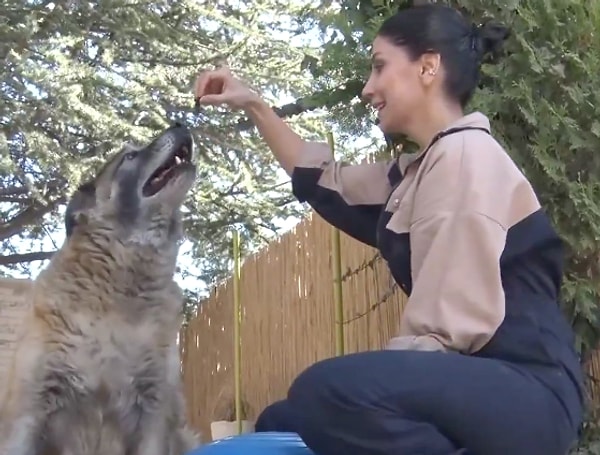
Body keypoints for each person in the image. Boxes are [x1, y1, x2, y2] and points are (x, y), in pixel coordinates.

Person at [194, 4, 584, 455]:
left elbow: (446, 329)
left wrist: (369, 387)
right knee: (282, 420)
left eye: (379, 67)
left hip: (528, 392)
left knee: (328, 392)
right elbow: (326, 183)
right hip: (481, 388)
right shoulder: (423, 171)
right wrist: (254, 104)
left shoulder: (465, 159)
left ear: (428, 66)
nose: (367, 88)